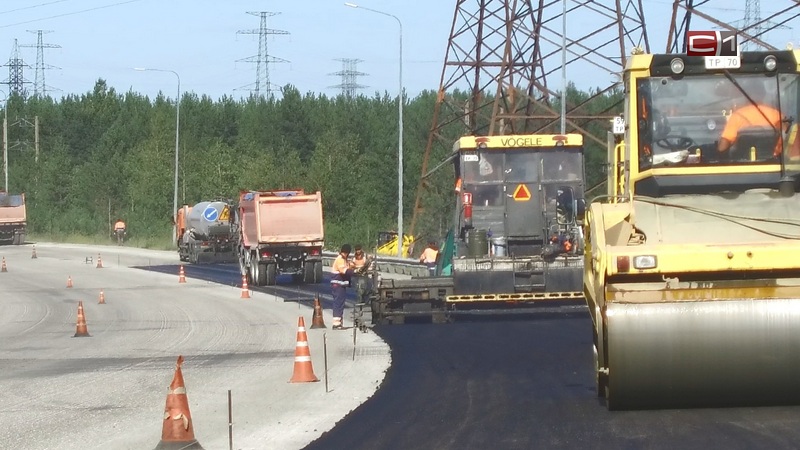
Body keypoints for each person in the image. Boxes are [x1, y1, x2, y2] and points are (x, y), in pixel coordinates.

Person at [717, 79, 782, 157]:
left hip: (741, 164)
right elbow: (787, 139)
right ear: (763, 94)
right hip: (773, 162)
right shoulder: (776, 114)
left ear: (745, 96)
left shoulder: (737, 115)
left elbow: (722, 148)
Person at [330, 244, 354, 330]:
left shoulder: (344, 260)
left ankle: (339, 322)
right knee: (338, 303)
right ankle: (336, 324)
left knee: (340, 304)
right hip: (337, 286)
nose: (346, 254)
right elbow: (344, 271)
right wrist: (354, 272)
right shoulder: (340, 260)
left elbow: (348, 267)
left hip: (340, 285)